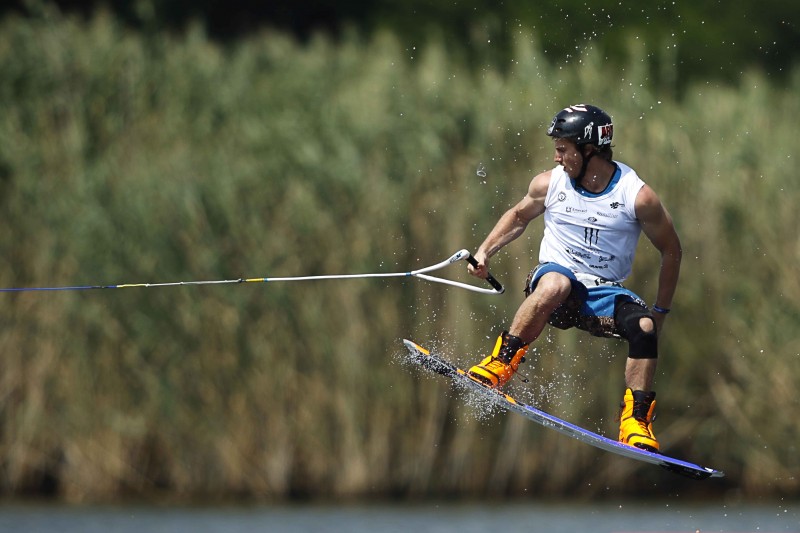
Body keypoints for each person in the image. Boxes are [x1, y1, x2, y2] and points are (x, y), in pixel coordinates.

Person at [466, 104, 682, 452]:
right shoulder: (549, 184)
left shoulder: (637, 196)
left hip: (602, 294)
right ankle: (500, 364)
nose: (556, 157)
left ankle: (635, 423)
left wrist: (660, 311)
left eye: (563, 149)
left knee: (644, 328)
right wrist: (484, 252)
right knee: (556, 284)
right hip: (555, 281)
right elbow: (519, 216)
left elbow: (672, 251)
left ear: (589, 150)